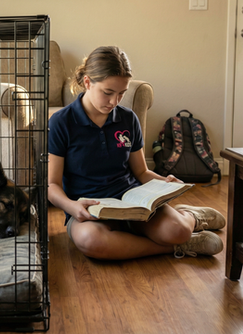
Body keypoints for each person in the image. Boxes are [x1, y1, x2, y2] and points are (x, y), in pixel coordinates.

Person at [48, 46, 225, 260]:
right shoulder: (61, 122)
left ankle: (191, 218)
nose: (115, 101)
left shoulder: (128, 119)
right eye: (108, 93)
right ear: (88, 83)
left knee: (178, 230)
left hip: (133, 202)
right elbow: (52, 185)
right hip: (90, 211)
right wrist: (72, 207)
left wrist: (164, 182)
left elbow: (141, 172)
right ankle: (177, 247)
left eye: (121, 93)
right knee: (91, 241)